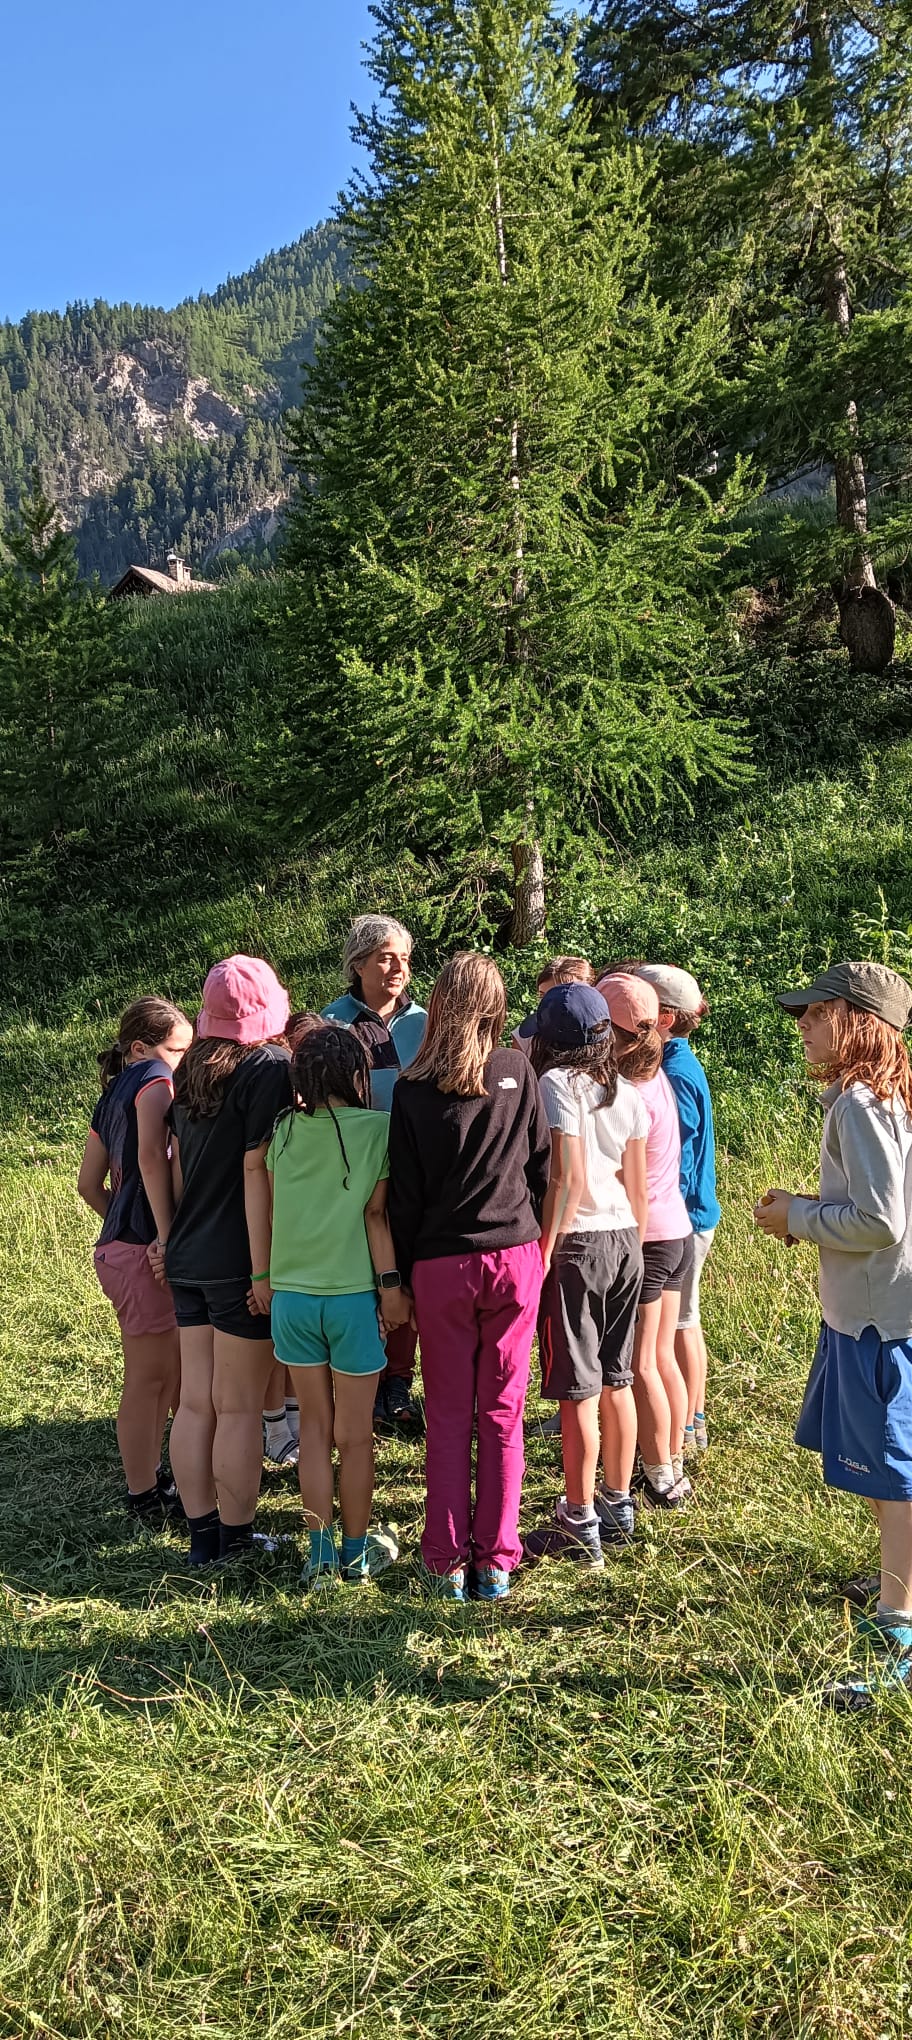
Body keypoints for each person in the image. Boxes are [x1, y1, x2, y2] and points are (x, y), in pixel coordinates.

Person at [755, 959, 912, 1712]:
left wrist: (799, 1219)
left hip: (878, 1322)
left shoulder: (858, 1102)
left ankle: (898, 1632)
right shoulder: (880, 1096)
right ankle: (897, 1576)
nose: (804, 1027)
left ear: (856, 1021)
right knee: (892, 1478)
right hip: (876, 1312)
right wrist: (814, 1206)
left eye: (816, 1013)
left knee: (895, 1478)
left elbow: (883, 1221)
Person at [388, 952, 550, 1601]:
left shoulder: (411, 1088)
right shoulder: (517, 1070)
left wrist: (396, 1277)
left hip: (439, 1264)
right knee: (503, 1413)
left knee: (449, 1414)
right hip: (513, 1257)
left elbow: (404, 1195)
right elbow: (541, 1167)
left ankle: (447, 1560)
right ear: (496, 1005)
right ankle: (498, 1560)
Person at [245, 1025, 406, 1586]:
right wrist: (391, 1287)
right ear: (355, 1072)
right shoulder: (379, 1131)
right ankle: (356, 1556)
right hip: (353, 1300)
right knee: (355, 1435)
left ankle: (317, 1555)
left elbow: (263, 1202)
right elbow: (377, 1216)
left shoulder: (282, 1132)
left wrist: (262, 1275)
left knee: (312, 1428)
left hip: (291, 1299)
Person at [162, 956, 292, 1568]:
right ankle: (237, 1538)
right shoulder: (269, 1065)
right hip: (242, 1258)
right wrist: (266, 1269)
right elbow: (261, 1166)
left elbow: (178, 1163)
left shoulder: (189, 1068)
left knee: (195, 1401)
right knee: (239, 1404)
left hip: (189, 1254)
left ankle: (201, 1535)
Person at [522, 986, 647, 1567]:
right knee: (617, 1378)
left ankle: (578, 1518)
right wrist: (636, 1248)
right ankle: (618, 1503)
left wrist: (546, 1249)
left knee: (578, 1388)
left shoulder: (555, 1084)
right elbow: (636, 1182)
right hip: (626, 1238)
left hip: (578, 1241)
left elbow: (566, 1177)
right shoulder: (627, 1090)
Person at [77, 998, 193, 1518]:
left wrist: (121, 1227)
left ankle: (154, 1479)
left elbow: (87, 1184)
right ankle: (143, 1492)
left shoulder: (111, 1094)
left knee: (162, 1376)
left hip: (119, 1249)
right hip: (145, 1254)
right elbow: (151, 1157)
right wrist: (164, 1238)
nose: (185, 1061)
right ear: (142, 1048)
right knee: (151, 1380)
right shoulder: (153, 1078)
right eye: (179, 1049)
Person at [323, 915, 427, 1433]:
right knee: (363, 1270)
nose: (397, 967)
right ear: (358, 962)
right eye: (386, 956)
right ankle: (365, 1372)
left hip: (409, 1166)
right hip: (352, 1165)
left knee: (402, 1270)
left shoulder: (425, 1022)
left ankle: (400, 1383)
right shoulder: (333, 1021)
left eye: (404, 958)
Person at [597, 973, 693, 1507]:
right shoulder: (656, 1074)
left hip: (647, 1239)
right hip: (674, 1229)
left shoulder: (626, 1093)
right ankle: (673, 1457)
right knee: (661, 1356)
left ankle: (660, 1475)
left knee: (640, 1365)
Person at [636, 964, 721, 1459]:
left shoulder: (674, 1071)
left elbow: (681, 1157)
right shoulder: (676, 1061)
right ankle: (687, 1417)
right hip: (684, 1217)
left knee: (681, 1323)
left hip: (682, 1218)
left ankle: (688, 1422)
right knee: (683, 1322)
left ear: (664, 1018)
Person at [260, 1012, 328, 1469]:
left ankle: (293, 1422)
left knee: (291, 1354)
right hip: (277, 1255)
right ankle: (272, 1426)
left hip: (306, 1257)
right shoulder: (279, 1119)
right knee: (271, 1349)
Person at [512, 957, 596, 1053]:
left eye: (556, 996)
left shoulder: (600, 1034)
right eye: (542, 995)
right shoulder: (526, 1035)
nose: (546, 1004)